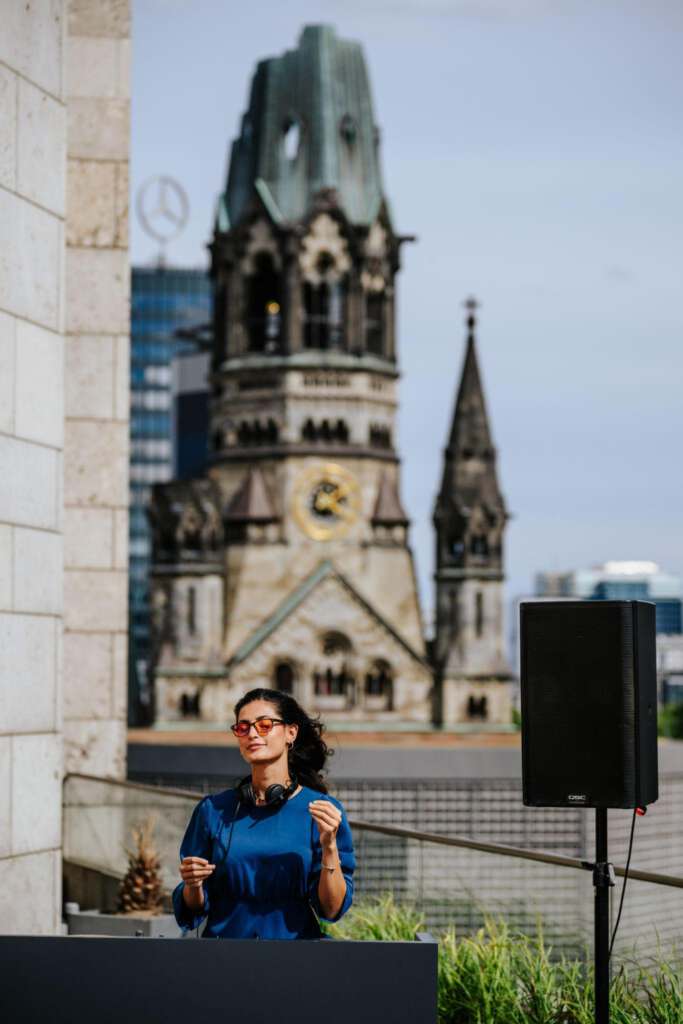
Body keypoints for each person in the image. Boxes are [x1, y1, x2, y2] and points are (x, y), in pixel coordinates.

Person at [172, 687, 355, 939]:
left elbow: (332, 910)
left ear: (291, 733)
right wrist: (192, 885)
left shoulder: (322, 811)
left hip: (296, 961)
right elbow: (191, 911)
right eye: (243, 727)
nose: (253, 734)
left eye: (265, 725)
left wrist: (330, 847)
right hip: (221, 959)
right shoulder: (213, 810)